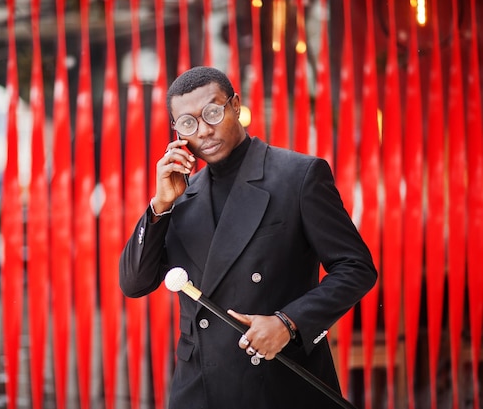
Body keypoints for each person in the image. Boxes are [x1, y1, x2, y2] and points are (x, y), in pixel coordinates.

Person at [119, 66, 377, 409]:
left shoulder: (298, 175)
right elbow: (134, 283)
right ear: (178, 132)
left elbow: (356, 267)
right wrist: (159, 205)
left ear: (235, 106)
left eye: (213, 112)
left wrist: (289, 323)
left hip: (277, 381)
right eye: (188, 123)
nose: (205, 130)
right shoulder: (180, 196)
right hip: (198, 388)